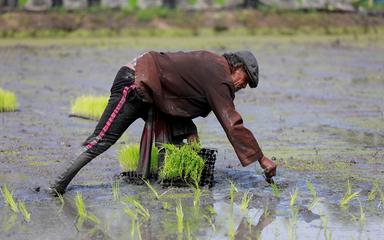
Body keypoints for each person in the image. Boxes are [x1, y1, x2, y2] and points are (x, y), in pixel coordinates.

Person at [50, 50, 277, 195]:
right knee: (103, 139)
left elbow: (179, 91)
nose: (242, 86)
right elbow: (232, 123)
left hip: (153, 93)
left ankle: (152, 188)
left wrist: (189, 127)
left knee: (168, 143)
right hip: (135, 82)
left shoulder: (213, 67)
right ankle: (57, 185)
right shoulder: (219, 75)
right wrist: (260, 158)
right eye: (244, 81)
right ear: (237, 68)